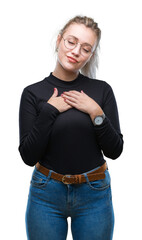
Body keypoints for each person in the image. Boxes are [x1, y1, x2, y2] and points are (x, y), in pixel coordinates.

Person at [18, 15, 124, 240]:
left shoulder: (101, 91)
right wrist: (49, 111)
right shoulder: (32, 93)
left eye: (85, 48)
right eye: (71, 42)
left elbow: (115, 151)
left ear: (90, 55)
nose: (76, 51)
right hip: (46, 194)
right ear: (59, 41)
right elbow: (28, 156)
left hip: (94, 193)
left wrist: (96, 112)